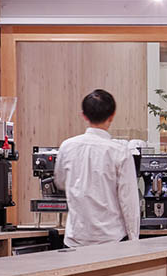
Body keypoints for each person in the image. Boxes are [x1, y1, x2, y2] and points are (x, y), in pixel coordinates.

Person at [56, 89, 141, 248]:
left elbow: (60, 182)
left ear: (84, 115)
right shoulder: (120, 152)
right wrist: (134, 240)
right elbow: (129, 202)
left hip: (75, 239)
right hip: (111, 241)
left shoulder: (67, 147)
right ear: (112, 115)